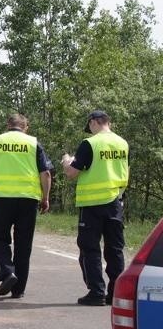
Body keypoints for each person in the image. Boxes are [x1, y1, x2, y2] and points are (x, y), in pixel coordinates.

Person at [0, 114, 52, 298]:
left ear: (8, 125)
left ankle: (7, 272)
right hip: (28, 198)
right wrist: (45, 198)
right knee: (23, 244)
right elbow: (46, 173)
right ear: (25, 127)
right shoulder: (33, 143)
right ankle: (18, 290)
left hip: (2, 197)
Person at [61, 110, 129, 306]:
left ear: (93, 122)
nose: (89, 130)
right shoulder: (122, 143)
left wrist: (67, 162)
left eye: (89, 126)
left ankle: (96, 291)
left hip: (92, 204)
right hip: (115, 201)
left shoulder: (90, 143)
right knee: (115, 249)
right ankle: (115, 292)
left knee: (89, 249)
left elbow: (73, 173)